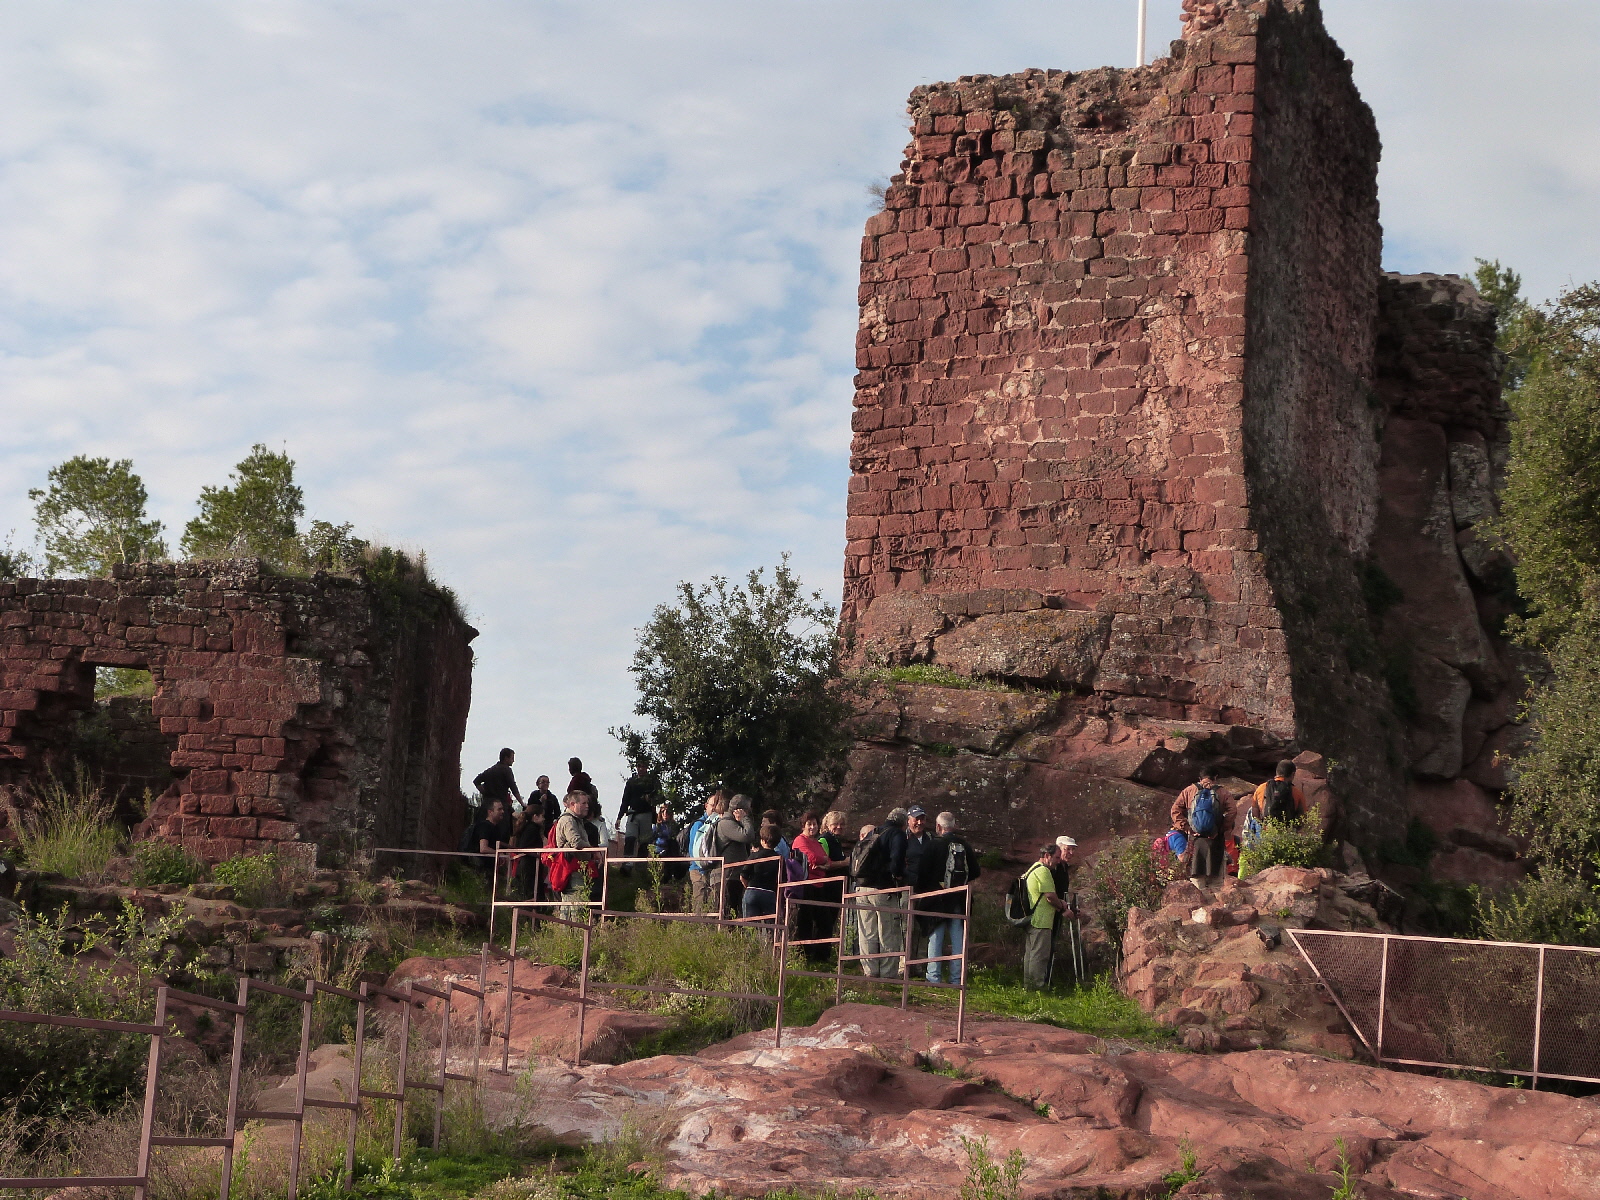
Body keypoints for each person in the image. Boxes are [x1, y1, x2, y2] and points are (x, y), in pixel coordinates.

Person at [922, 812, 980, 985]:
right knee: (957, 940)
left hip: (936, 898)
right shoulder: (964, 845)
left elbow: (923, 872)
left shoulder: (933, 845)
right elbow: (975, 871)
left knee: (936, 938)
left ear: (938, 827)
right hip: (959, 898)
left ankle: (934, 977)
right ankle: (956, 979)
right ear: (954, 826)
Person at [852, 807, 908, 979]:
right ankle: (887, 974)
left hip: (861, 888)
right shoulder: (897, 834)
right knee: (888, 930)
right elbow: (897, 861)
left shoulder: (873, 832)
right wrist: (899, 875)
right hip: (883, 889)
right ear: (904, 823)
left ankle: (870, 971)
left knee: (867, 931)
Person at [1172, 772, 1234, 883]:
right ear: (1215, 777)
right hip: (1215, 840)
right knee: (1216, 880)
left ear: (1200, 778)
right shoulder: (1223, 792)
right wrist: (1222, 828)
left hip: (1195, 839)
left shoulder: (1189, 790)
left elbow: (1175, 810)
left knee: (1197, 878)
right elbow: (1232, 811)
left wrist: (1187, 828)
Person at [1023, 845, 1066, 991]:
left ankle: (1029, 985)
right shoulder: (1043, 871)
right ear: (1047, 855)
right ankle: (1037, 986)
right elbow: (1050, 896)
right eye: (1057, 858)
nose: (1058, 861)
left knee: (1031, 954)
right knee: (1040, 955)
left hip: (1031, 918)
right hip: (1041, 920)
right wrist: (1061, 905)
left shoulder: (1032, 869)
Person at [790, 811, 833, 957]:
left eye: (814, 824)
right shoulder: (800, 840)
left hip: (819, 885)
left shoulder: (816, 842)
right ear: (803, 825)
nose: (812, 827)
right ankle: (804, 955)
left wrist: (821, 863)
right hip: (807, 885)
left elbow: (828, 861)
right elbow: (812, 858)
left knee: (825, 921)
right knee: (805, 921)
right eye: (809, 824)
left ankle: (822, 956)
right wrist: (822, 861)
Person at [552, 791, 594, 922]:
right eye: (583, 803)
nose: (587, 806)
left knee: (571, 903)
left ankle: (570, 931)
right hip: (571, 867)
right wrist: (593, 850)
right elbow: (576, 842)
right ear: (572, 804)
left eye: (587, 803)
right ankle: (576, 931)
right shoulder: (568, 820)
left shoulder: (575, 820)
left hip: (575, 866)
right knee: (576, 903)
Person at [684, 791, 727, 915]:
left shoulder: (716, 823)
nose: (714, 808)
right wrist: (702, 867)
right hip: (698, 869)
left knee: (713, 903)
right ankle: (698, 925)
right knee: (700, 901)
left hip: (710, 869)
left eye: (716, 805)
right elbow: (694, 849)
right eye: (712, 805)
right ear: (706, 806)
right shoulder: (699, 824)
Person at [714, 796, 757, 917]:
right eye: (747, 810)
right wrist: (745, 819)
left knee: (735, 913)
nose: (748, 813)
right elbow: (748, 835)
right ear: (739, 810)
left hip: (733, 876)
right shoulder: (726, 823)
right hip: (727, 876)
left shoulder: (734, 823)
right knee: (729, 914)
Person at [616, 759, 660, 873]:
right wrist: (619, 817)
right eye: (639, 766)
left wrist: (650, 799)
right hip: (633, 814)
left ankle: (641, 867)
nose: (641, 769)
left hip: (646, 814)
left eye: (643, 766)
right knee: (630, 838)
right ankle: (627, 864)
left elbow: (659, 797)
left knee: (644, 842)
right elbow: (625, 800)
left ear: (647, 767)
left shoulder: (652, 782)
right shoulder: (631, 782)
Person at [739, 821, 783, 919]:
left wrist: (748, 887)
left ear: (763, 841)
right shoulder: (779, 859)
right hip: (770, 893)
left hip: (752, 891)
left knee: (751, 925)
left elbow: (743, 876)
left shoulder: (754, 856)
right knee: (771, 924)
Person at [1049, 836, 1078, 985]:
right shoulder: (1054, 867)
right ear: (1059, 849)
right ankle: (1041, 981)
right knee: (1047, 945)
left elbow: (1061, 893)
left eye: (1073, 849)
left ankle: (1046, 980)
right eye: (1068, 849)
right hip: (1050, 911)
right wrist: (1062, 909)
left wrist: (1070, 908)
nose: (1071, 853)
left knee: (1052, 944)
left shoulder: (1064, 867)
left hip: (1057, 910)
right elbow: (1050, 893)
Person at [1249, 760, 1306, 830]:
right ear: (1293, 774)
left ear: (1277, 772)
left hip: (1266, 832)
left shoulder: (1261, 788)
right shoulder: (1297, 792)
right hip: (1287, 833)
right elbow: (1303, 817)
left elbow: (1254, 810)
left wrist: (1261, 826)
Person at [472, 748, 522, 815]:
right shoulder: (507, 770)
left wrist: (485, 793)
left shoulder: (490, 770)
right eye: (512, 758)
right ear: (506, 758)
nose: (513, 761)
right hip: (500, 805)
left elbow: (476, 781)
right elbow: (513, 788)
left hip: (488, 805)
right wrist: (522, 803)